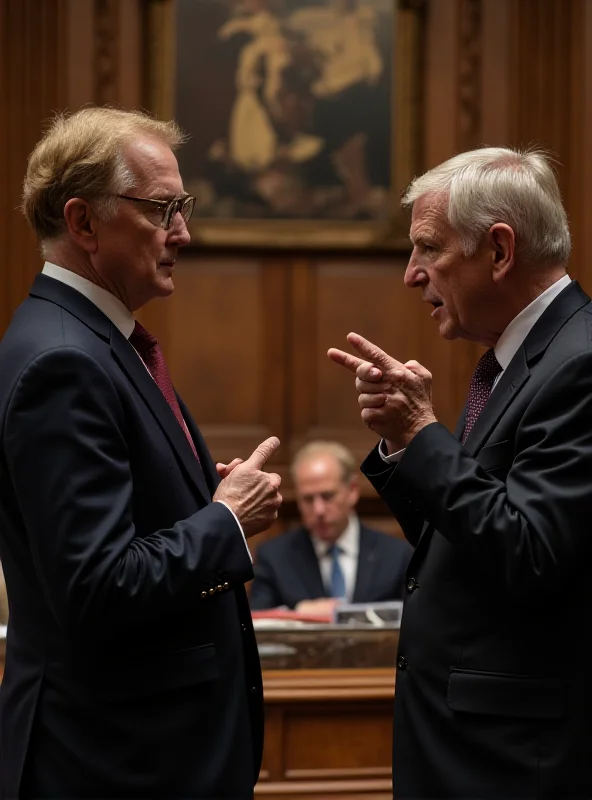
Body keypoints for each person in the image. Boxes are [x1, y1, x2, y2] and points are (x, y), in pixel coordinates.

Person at [0, 106, 283, 799]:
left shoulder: (95, 342)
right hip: (109, 760)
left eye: (181, 207)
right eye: (162, 209)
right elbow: (96, 586)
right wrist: (225, 521)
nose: (183, 232)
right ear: (84, 222)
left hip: (137, 749)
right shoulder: (63, 362)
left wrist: (194, 502)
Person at [328, 147, 592, 798]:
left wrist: (425, 435)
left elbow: (531, 551)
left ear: (499, 251)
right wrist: (402, 447)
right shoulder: (521, 359)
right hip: (470, 744)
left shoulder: (578, 364)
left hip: (514, 760)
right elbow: (468, 541)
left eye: (428, 248)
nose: (411, 275)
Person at [249, 441, 411, 613]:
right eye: (308, 499)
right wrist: (299, 612)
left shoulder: (396, 555)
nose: (318, 510)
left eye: (327, 496)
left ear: (352, 490)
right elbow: (258, 623)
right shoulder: (274, 557)